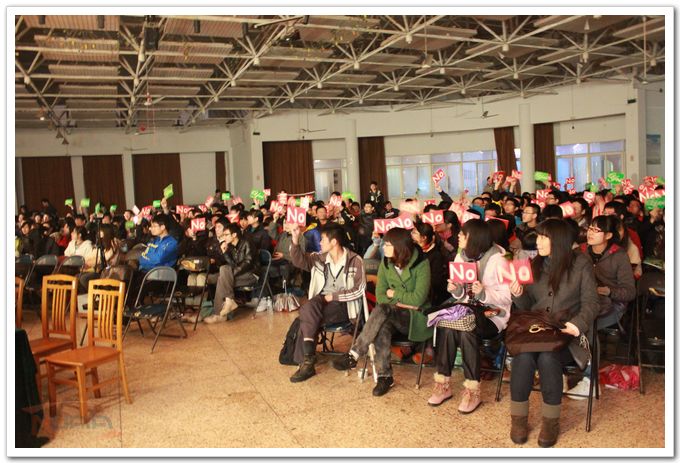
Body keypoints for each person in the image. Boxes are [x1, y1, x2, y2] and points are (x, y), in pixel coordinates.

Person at [508, 218, 599, 448]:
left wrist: (576, 325)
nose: (537, 242)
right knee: (523, 357)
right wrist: (518, 293)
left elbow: (591, 303)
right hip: (538, 331)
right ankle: (518, 419)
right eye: (538, 236)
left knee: (549, 359)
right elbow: (527, 306)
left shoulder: (581, 263)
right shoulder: (534, 264)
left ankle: (551, 422)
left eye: (543, 237)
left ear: (558, 240)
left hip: (567, 334)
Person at [332, 227, 431, 397]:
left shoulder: (421, 263)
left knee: (383, 310)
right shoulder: (386, 263)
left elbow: (418, 299)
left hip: (415, 318)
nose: (383, 248)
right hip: (393, 314)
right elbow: (380, 296)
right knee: (382, 325)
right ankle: (385, 377)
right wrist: (400, 301)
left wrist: (394, 295)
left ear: (399, 246)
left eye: (387, 245)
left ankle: (355, 353)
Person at [427, 219, 512, 412]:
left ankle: (472, 391)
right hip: (467, 311)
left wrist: (483, 293)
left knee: (465, 328)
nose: (458, 236)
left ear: (475, 238)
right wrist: (455, 289)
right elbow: (461, 295)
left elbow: (507, 297)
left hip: (493, 314)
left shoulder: (500, 260)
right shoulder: (461, 257)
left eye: (462, 234)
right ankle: (443, 384)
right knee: (450, 326)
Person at [565, 215, 636, 398]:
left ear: (608, 235)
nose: (591, 233)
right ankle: (561, 373)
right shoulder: (580, 251)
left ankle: (590, 381)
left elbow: (630, 292)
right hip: (584, 302)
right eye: (590, 228)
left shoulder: (619, 255)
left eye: (597, 230)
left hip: (612, 305)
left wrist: (608, 291)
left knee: (586, 325)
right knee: (565, 319)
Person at [287, 223, 366, 383]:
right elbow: (299, 260)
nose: (320, 242)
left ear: (334, 241)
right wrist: (295, 239)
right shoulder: (319, 258)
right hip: (321, 301)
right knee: (309, 308)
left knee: (306, 316)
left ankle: (306, 363)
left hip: (343, 305)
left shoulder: (355, 260)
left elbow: (360, 289)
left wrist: (334, 296)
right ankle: (308, 359)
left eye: (322, 239)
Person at [204, 223, 259, 324]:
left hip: (251, 274)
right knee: (216, 276)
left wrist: (231, 273)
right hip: (238, 274)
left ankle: (219, 314)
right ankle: (228, 302)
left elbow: (248, 263)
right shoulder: (230, 246)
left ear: (234, 235)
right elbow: (232, 264)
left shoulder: (247, 243)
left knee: (222, 277)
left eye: (226, 235)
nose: (224, 237)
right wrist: (224, 252)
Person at [411, 222, 448, 307]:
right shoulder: (412, 250)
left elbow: (435, 281)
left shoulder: (436, 255)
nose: (411, 234)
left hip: (427, 295)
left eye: (415, 233)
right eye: (412, 231)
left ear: (424, 238)